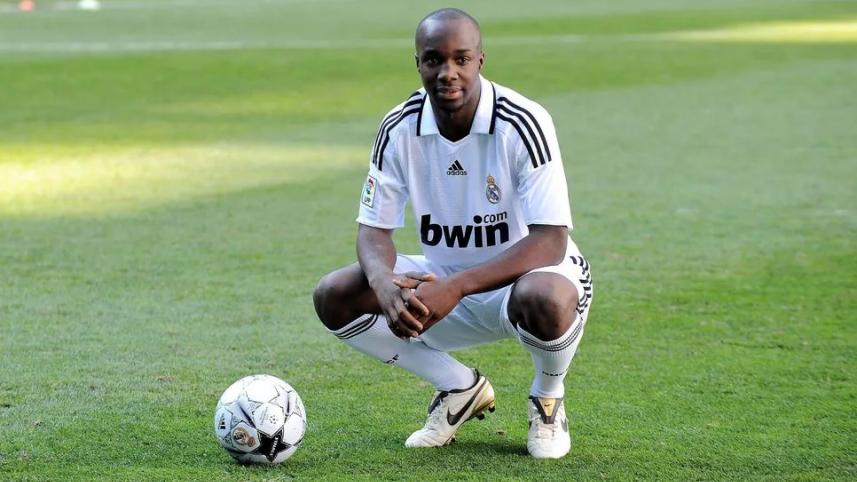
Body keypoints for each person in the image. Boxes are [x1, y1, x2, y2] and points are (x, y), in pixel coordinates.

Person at [313, 8, 593, 459]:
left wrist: (458, 287)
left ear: (480, 59)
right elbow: (373, 229)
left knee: (545, 297)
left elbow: (551, 240)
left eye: (461, 59)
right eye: (434, 60)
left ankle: (547, 398)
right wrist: (384, 282)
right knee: (334, 294)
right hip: (443, 281)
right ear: (418, 64)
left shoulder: (523, 122)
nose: (448, 73)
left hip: (523, 280)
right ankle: (459, 387)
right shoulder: (399, 127)